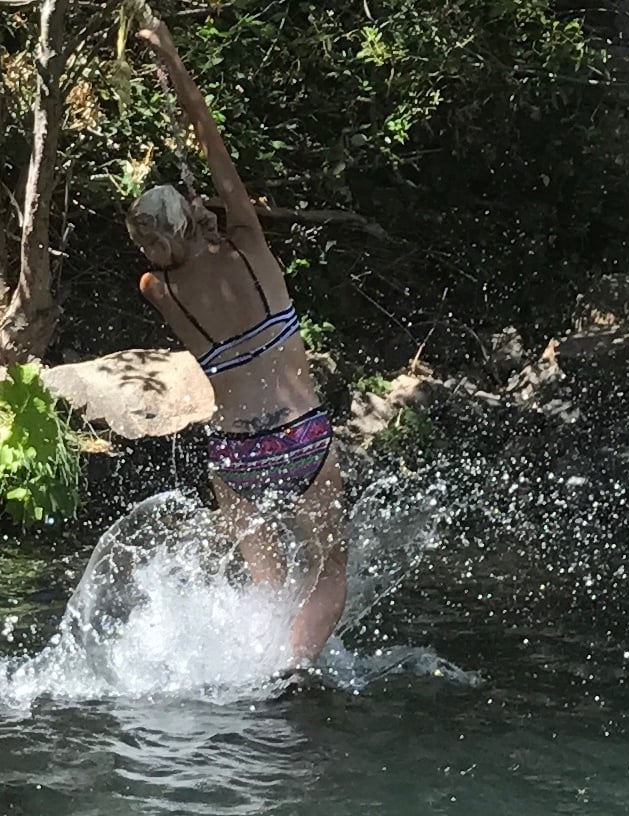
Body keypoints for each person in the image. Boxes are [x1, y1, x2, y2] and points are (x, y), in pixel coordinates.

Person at [125, 19, 347, 665]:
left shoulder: (156, 288)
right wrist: (169, 55)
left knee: (266, 588)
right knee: (330, 569)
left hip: (234, 455)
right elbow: (209, 138)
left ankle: (251, 671)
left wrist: (189, 229)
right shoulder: (250, 248)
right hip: (299, 435)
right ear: (193, 219)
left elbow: (170, 254)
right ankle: (287, 674)